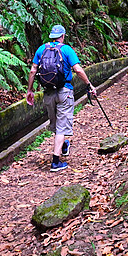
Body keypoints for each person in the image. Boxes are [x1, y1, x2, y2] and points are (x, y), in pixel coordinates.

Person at [26, 25, 97, 172]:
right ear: (63, 36)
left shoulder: (41, 49)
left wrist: (30, 90)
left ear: (51, 36)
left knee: (57, 124)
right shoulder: (66, 50)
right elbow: (77, 69)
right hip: (65, 91)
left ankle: (64, 144)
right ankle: (56, 162)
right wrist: (89, 84)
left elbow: (33, 70)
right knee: (61, 127)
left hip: (48, 93)